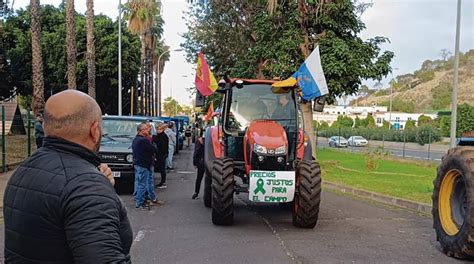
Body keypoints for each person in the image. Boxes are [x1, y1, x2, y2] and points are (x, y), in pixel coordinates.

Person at [3, 90, 132, 263]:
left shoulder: (24, 170)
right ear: (94, 130)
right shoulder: (87, 186)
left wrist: (102, 187)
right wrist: (100, 190)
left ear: (47, 127)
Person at [152, 123, 169, 189]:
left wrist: (155, 139)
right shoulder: (159, 135)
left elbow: (162, 146)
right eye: (157, 129)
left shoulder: (163, 136)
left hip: (162, 154)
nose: (157, 131)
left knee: (162, 168)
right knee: (161, 168)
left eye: (159, 129)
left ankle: (163, 182)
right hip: (160, 154)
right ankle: (162, 182)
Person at [192, 130, 205, 199]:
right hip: (208, 161)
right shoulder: (210, 141)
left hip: (201, 162)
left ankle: (196, 193)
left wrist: (195, 162)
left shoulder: (199, 141)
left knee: (199, 178)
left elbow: (196, 152)